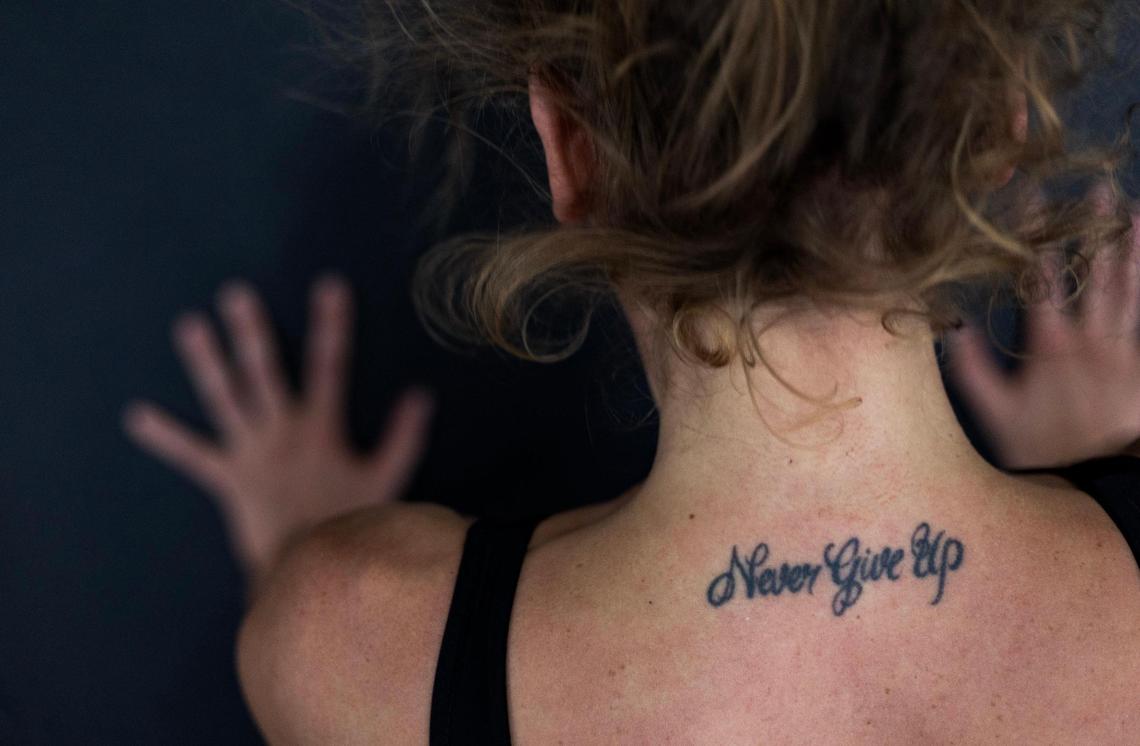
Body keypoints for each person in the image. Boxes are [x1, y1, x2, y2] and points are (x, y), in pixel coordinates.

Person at [124, 1, 1140, 742]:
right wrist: (1091, 470)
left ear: (572, 147)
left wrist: (307, 557)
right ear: (1004, 123)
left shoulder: (346, 642)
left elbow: (330, 656)